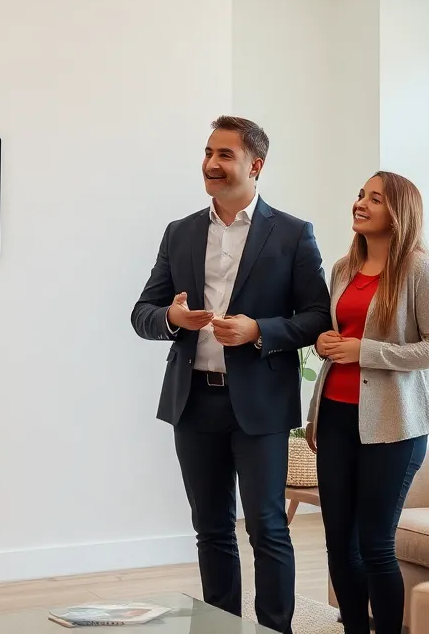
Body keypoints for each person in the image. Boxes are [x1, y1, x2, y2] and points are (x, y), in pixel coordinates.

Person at [130, 116, 332, 634]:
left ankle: (274, 628)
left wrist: (258, 331)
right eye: (207, 152)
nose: (211, 164)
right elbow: (142, 312)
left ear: (255, 165)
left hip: (260, 404)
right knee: (211, 528)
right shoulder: (180, 232)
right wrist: (171, 318)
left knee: (267, 526)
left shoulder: (291, 234)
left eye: (224, 155)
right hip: (193, 401)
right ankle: (219, 627)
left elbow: (316, 317)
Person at [305, 171, 429, 634]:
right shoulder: (342, 268)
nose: (360, 204)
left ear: (398, 212)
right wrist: (325, 341)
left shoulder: (417, 269)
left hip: (394, 427)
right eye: (360, 195)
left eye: (375, 199)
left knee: (375, 545)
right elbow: (338, 337)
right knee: (337, 544)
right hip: (335, 417)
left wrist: (365, 351)